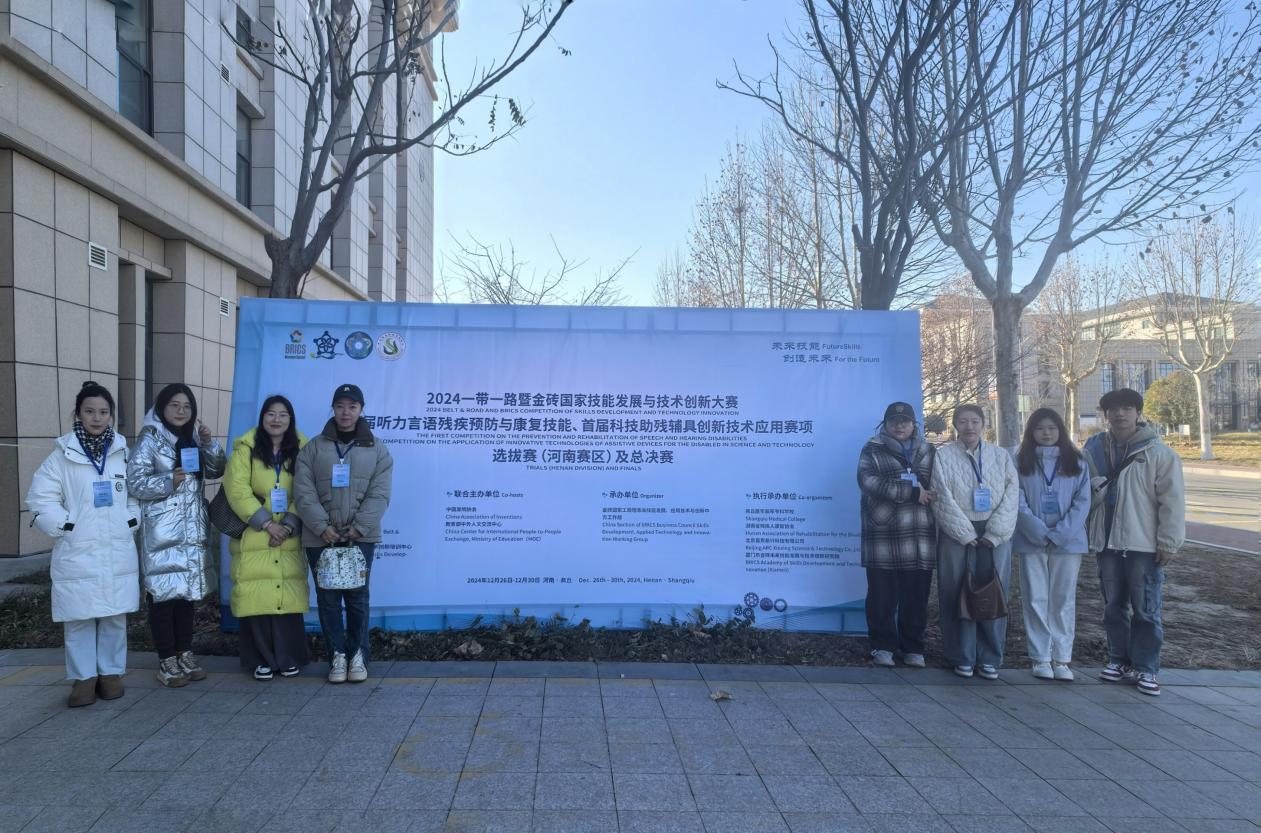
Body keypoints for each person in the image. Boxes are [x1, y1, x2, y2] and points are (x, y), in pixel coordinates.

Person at [25, 382, 141, 707]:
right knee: (78, 618)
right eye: (90, 411)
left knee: (114, 616)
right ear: (78, 413)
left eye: (103, 412)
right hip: (78, 547)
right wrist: (66, 525)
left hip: (117, 547)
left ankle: (111, 674)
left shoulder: (122, 453)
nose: (97, 418)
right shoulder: (60, 457)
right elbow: (40, 499)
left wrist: (131, 520)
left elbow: (135, 495)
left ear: (111, 415)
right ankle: (84, 678)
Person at [1083, 388, 1185, 697]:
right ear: (1105, 415)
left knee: (1146, 608)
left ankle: (1146, 667)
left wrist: (1168, 542)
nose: (1120, 414)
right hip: (1107, 543)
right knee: (1113, 606)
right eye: (1113, 409)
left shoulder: (1159, 454)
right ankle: (1119, 660)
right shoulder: (1094, 450)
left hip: (1143, 544)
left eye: (1127, 408)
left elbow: (1172, 502)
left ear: (1138, 413)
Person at [127, 383, 226, 687]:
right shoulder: (150, 438)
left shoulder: (192, 437)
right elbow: (135, 483)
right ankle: (166, 659)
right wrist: (169, 480)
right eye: (174, 405)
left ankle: (185, 652)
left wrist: (208, 444)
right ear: (161, 408)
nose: (181, 411)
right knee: (163, 597)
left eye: (187, 406)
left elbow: (216, 470)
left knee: (186, 596)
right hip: (162, 531)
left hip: (191, 529)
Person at [293, 383, 393, 684]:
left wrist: (358, 527)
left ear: (361, 409)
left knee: (357, 597)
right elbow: (303, 491)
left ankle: (358, 654)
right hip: (319, 537)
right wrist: (321, 526)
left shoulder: (377, 449)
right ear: (333, 408)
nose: (345, 412)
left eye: (352, 406)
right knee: (328, 599)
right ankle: (336, 655)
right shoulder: (313, 448)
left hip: (360, 537)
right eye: (340, 406)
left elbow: (380, 493)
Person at [930, 404, 1019, 679]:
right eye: (963, 421)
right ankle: (961, 656)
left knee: (993, 592)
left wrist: (995, 533)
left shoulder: (1000, 456)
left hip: (994, 533)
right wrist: (964, 533)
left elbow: (1012, 494)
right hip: (956, 532)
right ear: (955, 425)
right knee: (955, 591)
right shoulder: (943, 455)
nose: (969, 427)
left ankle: (990, 657)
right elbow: (940, 495)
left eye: (975, 421)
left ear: (984, 424)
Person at [224, 395, 310, 680]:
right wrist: (266, 524)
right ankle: (260, 659)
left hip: (289, 534)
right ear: (262, 417)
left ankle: (288, 657)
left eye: (283, 414)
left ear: (290, 419)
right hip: (255, 532)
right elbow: (236, 489)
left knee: (287, 594)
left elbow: (307, 489)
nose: (276, 419)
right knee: (257, 596)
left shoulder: (303, 449)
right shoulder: (245, 449)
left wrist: (288, 525)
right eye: (271, 414)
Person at [857, 402, 938, 668]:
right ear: (885, 424)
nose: (900, 425)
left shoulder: (929, 450)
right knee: (881, 596)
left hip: (919, 535)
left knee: (916, 596)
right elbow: (868, 481)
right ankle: (882, 646)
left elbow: (939, 484)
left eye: (905, 421)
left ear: (914, 424)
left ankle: (913, 647)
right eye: (894, 421)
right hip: (884, 535)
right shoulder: (872, 449)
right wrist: (911, 492)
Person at [1013, 408, 1091, 682]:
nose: (1046, 433)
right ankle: (1041, 658)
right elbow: (1016, 499)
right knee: (1035, 599)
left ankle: (1062, 659)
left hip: (1068, 542)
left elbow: (1083, 502)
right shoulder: (1019, 461)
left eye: (1052, 428)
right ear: (1031, 432)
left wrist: (1059, 534)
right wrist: (1037, 531)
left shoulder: (1077, 462)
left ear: (1061, 430)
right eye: (1040, 428)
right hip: (1031, 540)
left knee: (1063, 600)